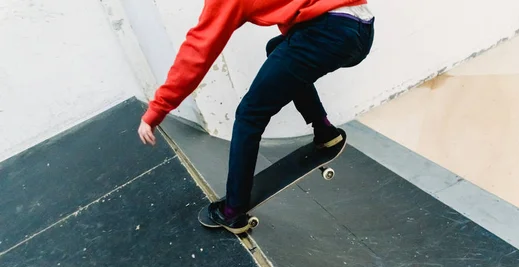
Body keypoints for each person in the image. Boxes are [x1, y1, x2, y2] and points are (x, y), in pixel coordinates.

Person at [138, 0, 375, 234]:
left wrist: (157, 109)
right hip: (361, 26)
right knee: (277, 49)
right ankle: (325, 133)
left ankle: (232, 211)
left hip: (328, 32)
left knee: (249, 116)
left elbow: (198, 50)